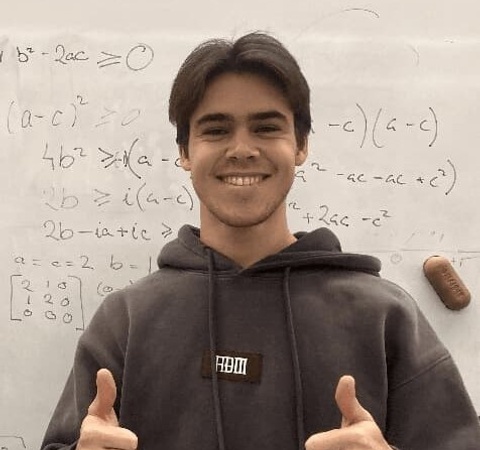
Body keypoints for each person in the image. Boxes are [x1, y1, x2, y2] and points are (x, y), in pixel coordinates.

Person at [41, 31, 480, 450]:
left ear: (301, 145)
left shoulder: (384, 317)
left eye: (266, 128)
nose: (242, 149)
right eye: (216, 129)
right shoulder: (127, 320)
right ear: (185, 152)